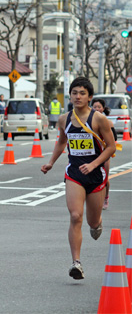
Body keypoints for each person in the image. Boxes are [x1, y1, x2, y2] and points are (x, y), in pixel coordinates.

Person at [41, 77, 115, 280]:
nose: (78, 96)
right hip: (74, 173)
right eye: (74, 93)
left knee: (92, 221)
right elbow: (61, 142)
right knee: (75, 216)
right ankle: (76, 263)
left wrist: (93, 164)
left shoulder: (99, 119)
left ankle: (97, 222)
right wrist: (51, 162)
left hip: (95, 174)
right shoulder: (65, 119)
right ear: (70, 95)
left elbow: (111, 147)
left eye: (82, 93)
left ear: (90, 97)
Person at [91, 98, 117, 210]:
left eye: (99, 107)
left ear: (103, 108)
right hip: (92, 153)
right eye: (94, 107)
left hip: (105, 153)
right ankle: (95, 199)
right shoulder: (89, 122)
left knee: (105, 178)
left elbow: (114, 139)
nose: (97, 109)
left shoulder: (108, 122)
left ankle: (106, 197)